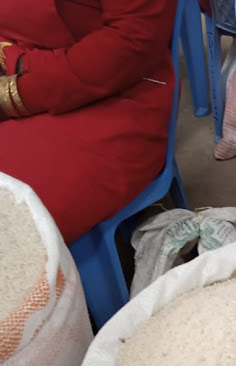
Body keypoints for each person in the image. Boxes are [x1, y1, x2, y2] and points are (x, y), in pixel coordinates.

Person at [0, 0, 177, 243]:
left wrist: (15, 94)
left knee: (10, 219)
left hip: (112, 98)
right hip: (13, 62)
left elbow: (129, 44)